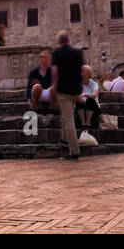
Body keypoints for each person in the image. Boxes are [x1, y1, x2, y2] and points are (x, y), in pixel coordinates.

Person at [50, 30, 84, 159]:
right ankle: (64, 139)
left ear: (59, 41)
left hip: (64, 90)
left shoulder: (57, 53)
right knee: (66, 115)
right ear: (69, 40)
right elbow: (82, 70)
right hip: (76, 90)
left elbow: (54, 72)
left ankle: (74, 151)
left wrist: (54, 87)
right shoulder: (77, 52)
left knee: (69, 120)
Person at [75, 64, 101, 137]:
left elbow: (94, 95)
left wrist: (85, 94)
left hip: (93, 107)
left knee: (90, 99)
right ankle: (83, 122)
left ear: (87, 74)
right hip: (81, 107)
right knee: (78, 101)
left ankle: (88, 123)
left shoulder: (94, 83)